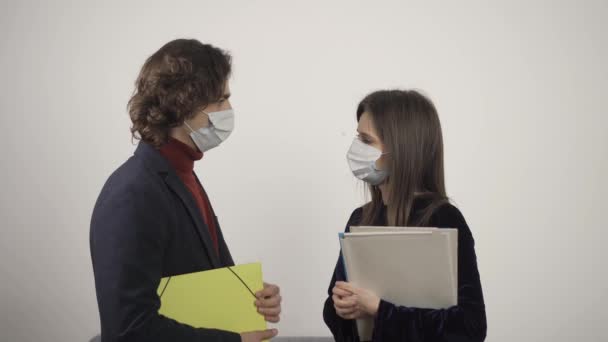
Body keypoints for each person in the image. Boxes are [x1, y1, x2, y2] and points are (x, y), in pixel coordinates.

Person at [90, 39, 281, 342]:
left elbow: (205, 277)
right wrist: (235, 341)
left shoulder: (181, 175)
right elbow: (128, 331)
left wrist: (252, 296)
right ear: (182, 102)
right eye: (220, 100)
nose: (228, 109)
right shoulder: (133, 193)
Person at [323, 89, 487, 341]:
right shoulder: (360, 218)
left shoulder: (444, 218)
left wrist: (379, 309)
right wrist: (340, 306)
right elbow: (336, 318)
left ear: (401, 149)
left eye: (366, 141)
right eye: (358, 138)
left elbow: (470, 327)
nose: (356, 149)